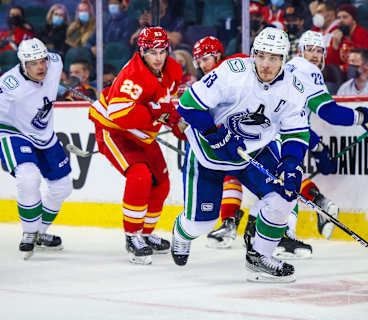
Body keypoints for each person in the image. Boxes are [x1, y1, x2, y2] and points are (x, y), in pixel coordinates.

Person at [172, 27, 368, 282]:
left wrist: (290, 163)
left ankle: (260, 257)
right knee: (201, 224)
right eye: (262, 56)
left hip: (254, 150)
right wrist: (213, 133)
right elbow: (188, 105)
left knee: (284, 195)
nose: (266, 64)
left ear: (284, 59)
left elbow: (296, 133)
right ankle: (181, 233)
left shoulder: (294, 88)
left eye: (273, 58)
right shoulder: (232, 73)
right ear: (254, 54)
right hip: (208, 152)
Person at [246, 30, 368, 259]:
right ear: (299, 51)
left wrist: (317, 146)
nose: (314, 55)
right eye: (309, 49)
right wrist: (364, 117)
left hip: (260, 134)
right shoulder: (306, 69)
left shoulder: (288, 68)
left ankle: (260, 231)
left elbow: (293, 119)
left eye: (319, 50)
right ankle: (284, 234)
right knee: (286, 182)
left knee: (277, 186)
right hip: (272, 138)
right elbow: (328, 112)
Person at [88, 27, 185, 265]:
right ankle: (132, 236)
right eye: (152, 52)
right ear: (142, 52)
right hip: (115, 130)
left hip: (142, 133)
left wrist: (176, 124)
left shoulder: (174, 70)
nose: (158, 57)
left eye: (162, 51)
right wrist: (157, 112)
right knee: (140, 176)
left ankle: (146, 233)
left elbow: (168, 106)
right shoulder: (133, 75)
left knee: (161, 183)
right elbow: (119, 114)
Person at [0, 38, 73, 260]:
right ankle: (29, 232)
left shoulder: (56, 62)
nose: (41, 67)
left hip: (44, 135)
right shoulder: (9, 86)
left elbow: (53, 73)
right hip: (13, 131)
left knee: (63, 187)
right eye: (33, 63)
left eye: (42, 61)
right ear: (23, 64)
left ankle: (40, 232)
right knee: (28, 177)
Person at [191, 35, 248, 249]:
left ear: (217, 54)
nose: (202, 65)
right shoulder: (207, 81)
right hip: (244, 134)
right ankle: (230, 220)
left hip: (255, 131)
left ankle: (233, 221)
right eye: (198, 61)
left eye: (205, 59)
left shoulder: (233, 66)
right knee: (232, 174)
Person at [326, 4, 368, 71]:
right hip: (343, 74)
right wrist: (334, 47)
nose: (340, 21)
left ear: (354, 20)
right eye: (338, 18)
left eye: (345, 17)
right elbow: (330, 64)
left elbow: (362, 62)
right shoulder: (337, 36)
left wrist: (342, 68)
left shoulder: (363, 35)